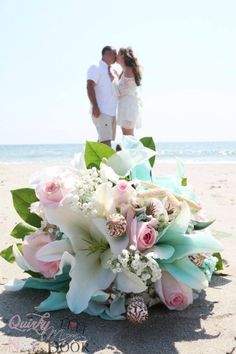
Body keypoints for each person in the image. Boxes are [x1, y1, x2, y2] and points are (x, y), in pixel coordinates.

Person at [87, 46, 118, 146]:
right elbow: (89, 86)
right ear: (106, 54)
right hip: (101, 111)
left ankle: (90, 161)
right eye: (114, 53)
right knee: (106, 144)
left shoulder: (113, 71)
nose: (116, 56)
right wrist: (95, 106)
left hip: (112, 113)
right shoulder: (95, 67)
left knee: (101, 143)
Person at [112, 47, 142, 136]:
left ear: (122, 56)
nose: (116, 56)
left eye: (118, 54)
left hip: (128, 106)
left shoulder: (128, 70)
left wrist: (113, 77)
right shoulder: (125, 70)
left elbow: (120, 91)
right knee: (128, 136)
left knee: (128, 137)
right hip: (127, 105)